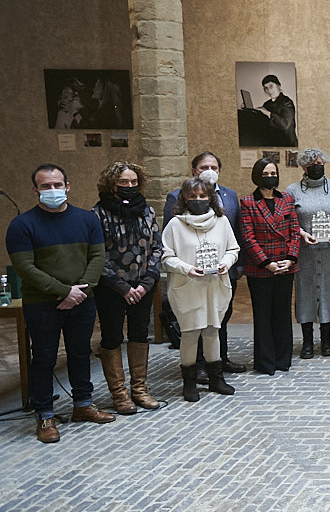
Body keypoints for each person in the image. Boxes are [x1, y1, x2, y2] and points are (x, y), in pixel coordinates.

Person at [7, 164, 112, 443]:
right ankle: (44, 415)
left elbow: (98, 258)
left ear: (67, 186)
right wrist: (64, 291)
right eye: (45, 186)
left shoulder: (87, 220)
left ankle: (83, 404)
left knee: (80, 353)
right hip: (42, 303)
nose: (52, 191)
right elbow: (25, 268)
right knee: (44, 357)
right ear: (35, 190)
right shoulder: (22, 225)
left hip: (82, 300)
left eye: (57, 185)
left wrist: (80, 291)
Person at [164, 152, 246, 375]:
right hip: (189, 281)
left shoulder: (225, 206)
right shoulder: (175, 215)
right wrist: (186, 268)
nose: (198, 200)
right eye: (193, 196)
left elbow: (234, 241)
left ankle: (217, 368)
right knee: (192, 329)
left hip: (218, 277)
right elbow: (166, 250)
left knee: (217, 324)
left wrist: (230, 264)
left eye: (213, 166)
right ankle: (194, 371)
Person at [91, 161, 162, 414]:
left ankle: (140, 389)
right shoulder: (97, 214)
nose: (130, 186)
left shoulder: (147, 211)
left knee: (140, 334)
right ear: (111, 184)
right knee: (112, 337)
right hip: (111, 288)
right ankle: (119, 394)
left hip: (143, 286)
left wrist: (146, 283)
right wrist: (121, 287)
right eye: (123, 182)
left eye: (133, 182)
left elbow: (157, 247)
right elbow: (97, 255)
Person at [238, 158, 300, 376]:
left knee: (282, 313)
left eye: (273, 173)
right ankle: (265, 361)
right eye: (265, 173)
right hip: (261, 268)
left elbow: (295, 230)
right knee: (263, 314)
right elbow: (248, 237)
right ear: (257, 176)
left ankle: (283, 359)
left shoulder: (287, 199)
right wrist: (267, 263)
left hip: (286, 265)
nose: (270, 177)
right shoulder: (247, 202)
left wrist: (291, 258)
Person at [286, 148, 330, 358]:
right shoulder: (292, 190)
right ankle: (308, 341)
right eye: (312, 164)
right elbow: (289, 219)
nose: (317, 166)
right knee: (305, 290)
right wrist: (301, 233)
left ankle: (327, 340)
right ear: (304, 167)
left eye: (320, 163)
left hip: (329, 249)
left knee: (327, 289)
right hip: (304, 250)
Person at [253, 74, 297, 146]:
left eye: (271, 86)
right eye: (266, 88)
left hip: (287, 144)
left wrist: (268, 113)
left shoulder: (287, 102)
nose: (269, 90)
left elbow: (284, 124)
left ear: (279, 86)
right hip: (272, 143)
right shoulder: (267, 104)